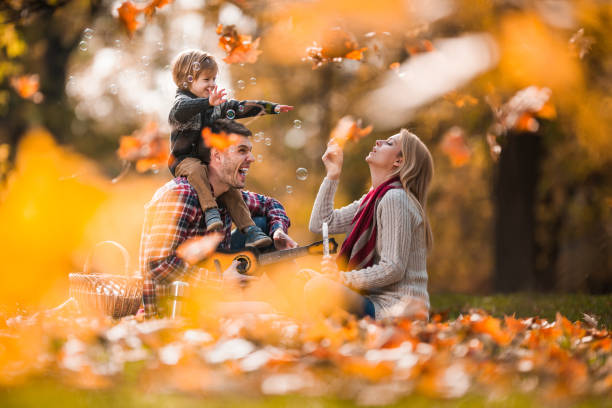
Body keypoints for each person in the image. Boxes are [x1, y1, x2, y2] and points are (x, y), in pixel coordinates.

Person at [140, 119, 297, 318]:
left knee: (263, 226)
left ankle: (306, 303)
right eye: (242, 150)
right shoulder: (182, 194)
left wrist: (278, 230)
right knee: (267, 314)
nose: (252, 158)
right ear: (217, 156)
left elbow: (271, 205)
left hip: (208, 297)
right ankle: (308, 310)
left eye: (250, 151)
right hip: (174, 310)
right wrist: (219, 280)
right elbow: (158, 265)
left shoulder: (228, 195)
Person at [168, 49, 293, 247]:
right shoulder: (181, 104)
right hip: (184, 160)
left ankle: (250, 230)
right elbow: (182, 112)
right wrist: (207, 103)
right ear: (187, 81)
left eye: (214, 79)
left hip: (207, 160)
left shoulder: (215, 105)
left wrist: (271, 108)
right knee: (197, 169)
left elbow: (240, 106)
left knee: (229, 185)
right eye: (206, 79)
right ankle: (211, 211)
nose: (212, 84)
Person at [306, 128, 434, 320]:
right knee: (303, 277)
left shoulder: (395, 199)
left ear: (399, 161)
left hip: (396, 310)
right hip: (375, 302)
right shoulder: (372, 200)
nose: (378, 142)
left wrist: (340, 278)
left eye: (389, 143)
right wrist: (332, 175)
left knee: (318, 287)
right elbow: (321, 223)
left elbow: (393, 268)